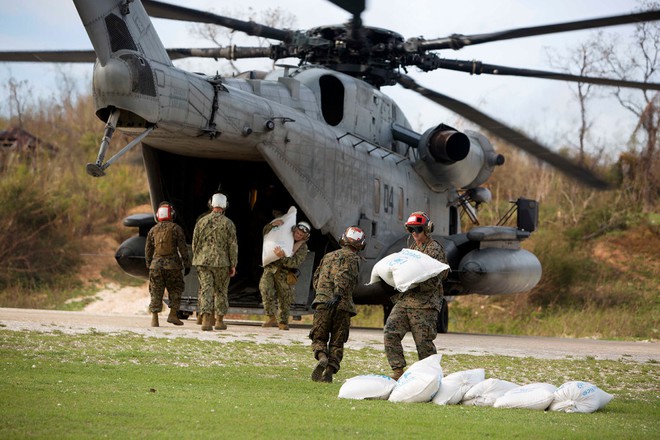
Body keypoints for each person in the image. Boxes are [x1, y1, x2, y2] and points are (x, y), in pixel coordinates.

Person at [384, 211, 448, 380]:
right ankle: (398, 371)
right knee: (390, 332)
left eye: (418, 229)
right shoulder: (411, 249)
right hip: (405, 301)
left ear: (427, 229)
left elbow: (436, 277)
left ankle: (431, 378)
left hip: (425, 304)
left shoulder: (434, 249)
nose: (414, 233)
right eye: (411, 230)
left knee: (423, 343)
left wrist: (412, 283)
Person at [309, 226, 366, 383]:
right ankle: (330, 370)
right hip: (342, 305)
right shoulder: (354, 259)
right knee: (337, 340)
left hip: (322, 303)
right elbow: (344, 275)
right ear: (361, 244)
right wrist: (338, 295)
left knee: (319, 336)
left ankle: (322, 357)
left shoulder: (328, 256)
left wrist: (322, 295)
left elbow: (316, 277)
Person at [192, 193, 238, 331]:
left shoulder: (202, 221)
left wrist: (199, 257)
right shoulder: (228, 223)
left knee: (206, 289)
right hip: (222, 263)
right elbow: (233, 246)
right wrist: (233, 264)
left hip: (203, 262)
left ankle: (206, 320)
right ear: (225, 206)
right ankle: (219, 321)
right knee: (221, 291)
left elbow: (195, 243)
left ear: (211, 205)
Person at [144, 201, 191, 327]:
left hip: (156, 266)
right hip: (173, 266)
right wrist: (187, 264)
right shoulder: (176, 229)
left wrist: (149, 264)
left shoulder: (153, 230)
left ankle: (155, 318)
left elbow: (148, 249)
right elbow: (183, 248)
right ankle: (173, 315)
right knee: (176, 289)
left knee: (155, 291)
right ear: (171, 214)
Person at [260, 220, 311, 330]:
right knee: (265, 289)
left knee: (285, 298)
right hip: (271, 268)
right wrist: (272, 225)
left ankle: (282, 321)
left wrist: (282, 256)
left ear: (305, 237)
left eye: (301, 235)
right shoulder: (283, 235)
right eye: (297, 233)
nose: (298, 236)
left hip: (285, 272)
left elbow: (295, 263)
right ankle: (271, 316)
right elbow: (266, 233)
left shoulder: (302, 247)